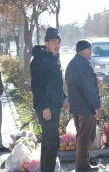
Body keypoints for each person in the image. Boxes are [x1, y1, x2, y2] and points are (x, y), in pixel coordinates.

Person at [30, 27, 69, 172]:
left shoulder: (55, 59)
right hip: (45, 107)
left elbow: (56, 85)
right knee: (52, 143)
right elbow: (37, 86)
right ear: (46, 43)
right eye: (53, 41)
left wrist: (63, 98)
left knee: (48, 142)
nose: (57, 44)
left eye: (58, 41)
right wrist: (44, 106)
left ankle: (46, 169)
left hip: (54, 105)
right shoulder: (39, 60)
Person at [65, 40, 101, 172]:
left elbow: (77, 83)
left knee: (82, 136)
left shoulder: (72, 64)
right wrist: (96, 106)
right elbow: (88, 88)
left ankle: (83, 162)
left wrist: (93, 78)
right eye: (89, 49)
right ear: (81, 51)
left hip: (76, 106)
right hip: (86, 107)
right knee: (87, 136)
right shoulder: (85, 65)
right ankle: (82, 166)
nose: (91, 51)